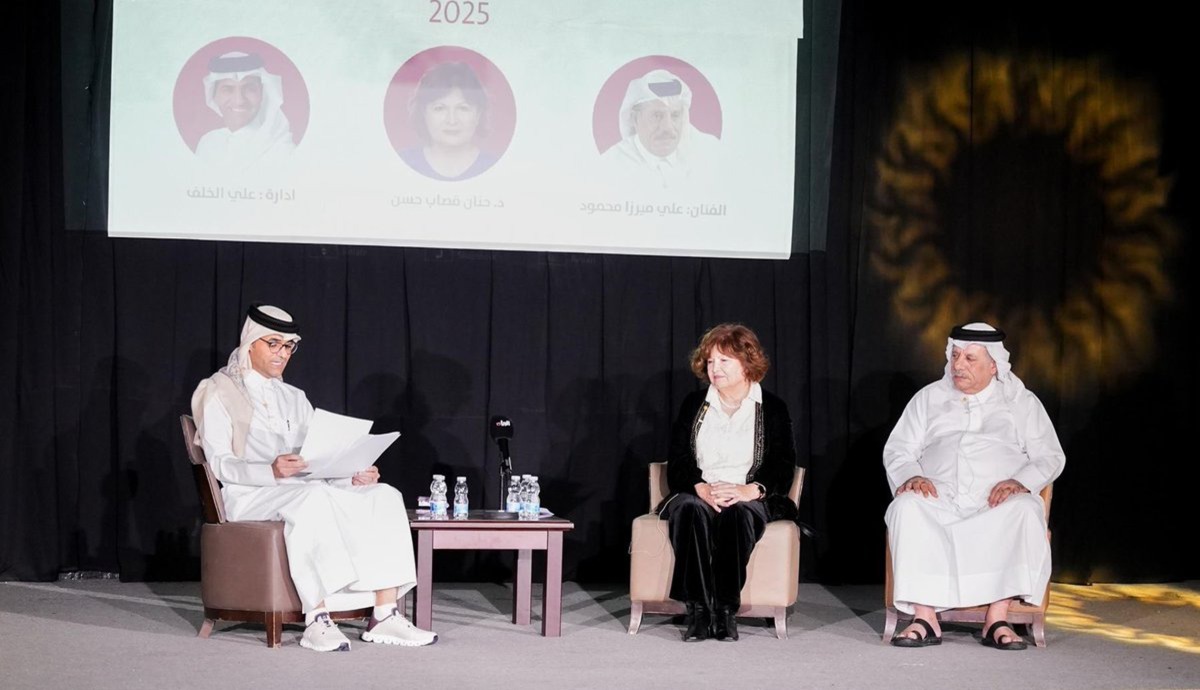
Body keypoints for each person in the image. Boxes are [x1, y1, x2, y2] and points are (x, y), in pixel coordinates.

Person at [190, 304, 436, 652]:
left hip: (302, 488)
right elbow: (219, 463)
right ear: (250, 343)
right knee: (312, 499)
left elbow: (316, 460)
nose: (281, 354)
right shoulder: (218, 390)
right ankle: (317, 617)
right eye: (272, 344)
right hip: (249, 493)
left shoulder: (295, 397)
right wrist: (269, 471)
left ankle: (385, 613)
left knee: (384, 495)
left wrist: (351, 475)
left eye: (288, 346)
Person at [883, 322, 1065, 650]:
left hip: (994, 502)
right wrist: (911, 475)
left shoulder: (1021, 402)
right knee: (905, 507)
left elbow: (1049, 456)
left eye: (969, 359)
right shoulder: (928, 398)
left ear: (994, 364)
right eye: (955, 356)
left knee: (1024, 510)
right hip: (940, 497)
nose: (958, 366)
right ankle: (925, 618)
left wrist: (1020, 482)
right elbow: (899, 449)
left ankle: (997, 618)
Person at [658, 323, 798, 642]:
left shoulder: (772, 408)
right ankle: (698, 611)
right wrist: (701, 487)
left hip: (748, 495)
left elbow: (782, 465)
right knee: (690, 510)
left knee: (739, 514)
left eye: (723, 361)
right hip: (700, 491)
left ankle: (724, 611)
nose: (714, 369)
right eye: (710, 361)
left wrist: (749, 490)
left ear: (746, 362)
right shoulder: (694, 405)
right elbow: (678, 461)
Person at [601, 68, 720, 189]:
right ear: (634, 119)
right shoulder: (610, 165)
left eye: (675, 115)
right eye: (656, 116)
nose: (667, 127)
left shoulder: (709, 152)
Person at [195, 51, 296, 172]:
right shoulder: (208, 142)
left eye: (249, 89)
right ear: (214, 95)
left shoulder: (282, 150)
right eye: (228, 89)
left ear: (262, 94)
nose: (239, 101)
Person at [399, 62, 498, 181]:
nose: (452, 121)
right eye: (439, 108)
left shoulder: (498, 168)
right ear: (424, 113)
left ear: (478, 115)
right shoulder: (401, 163)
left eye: (463, 108)